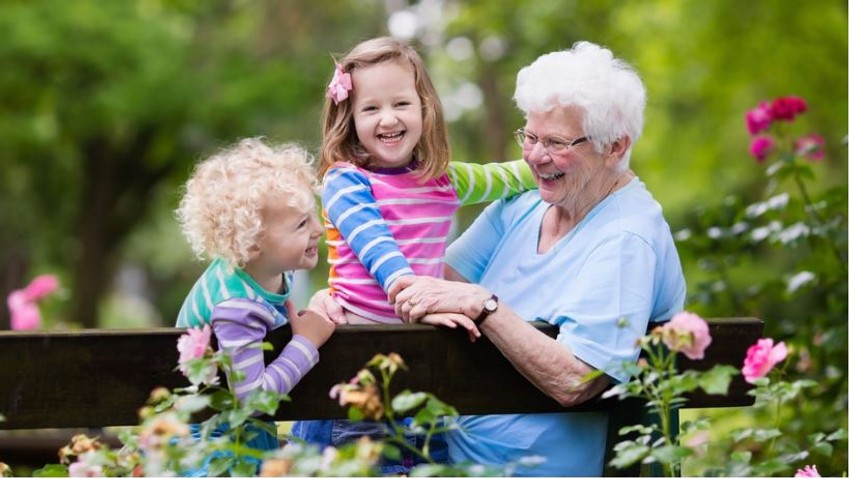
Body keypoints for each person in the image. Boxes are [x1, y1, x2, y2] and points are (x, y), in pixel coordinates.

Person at [388, 41, 687, 476]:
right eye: (529, 136)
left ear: (616, 147)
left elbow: (577, 379)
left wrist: (484, 305)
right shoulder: (524, 205)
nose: (533, 156)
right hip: (442, 454)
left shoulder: (627, 237)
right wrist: (340, 298)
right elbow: (427, 281)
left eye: (556, 142)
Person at [291, 36, 535, 474]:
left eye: (401, 103)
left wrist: (549, 162)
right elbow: (381, 254)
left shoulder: (441, 180)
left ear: (425, 108)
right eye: (371, 108)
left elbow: (505, 178)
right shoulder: (346, 183)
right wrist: (420, 300)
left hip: (420, 371)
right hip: (355, 373)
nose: (388, 118)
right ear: (349, 117)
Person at [175, 138, 336, 472]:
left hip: (236, 439)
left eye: (312, 217)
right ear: (250, 245)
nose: (319, 229)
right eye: (302, 224)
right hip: (216, 452)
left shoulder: (262, 275)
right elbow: (252, 401)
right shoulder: (236, 305)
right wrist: (306, 343)